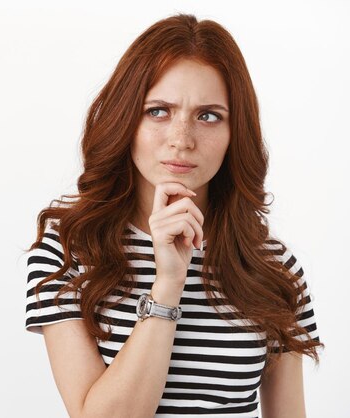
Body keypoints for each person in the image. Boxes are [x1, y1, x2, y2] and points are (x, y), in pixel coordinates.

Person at [23, 13, 324, 418]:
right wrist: (168, 283)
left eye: (209, 115)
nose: (181, 139)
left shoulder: (273, 268)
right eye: (158, 111)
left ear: (237, 133)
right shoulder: (68, 249)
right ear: (125, 118)